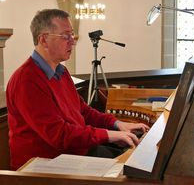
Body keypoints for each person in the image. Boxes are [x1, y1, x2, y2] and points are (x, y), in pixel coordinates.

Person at [6, 9, 150, 170]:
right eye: (65, 36)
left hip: (73, 153)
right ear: (43, 40)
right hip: (44, 168)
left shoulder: (61, 71)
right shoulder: (27, 80)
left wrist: (117, 124)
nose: (72, 41)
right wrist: (108, 135)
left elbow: (83, 111)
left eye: (72, 35)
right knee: (129, 171)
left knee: (138, 161)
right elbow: (59, 135)